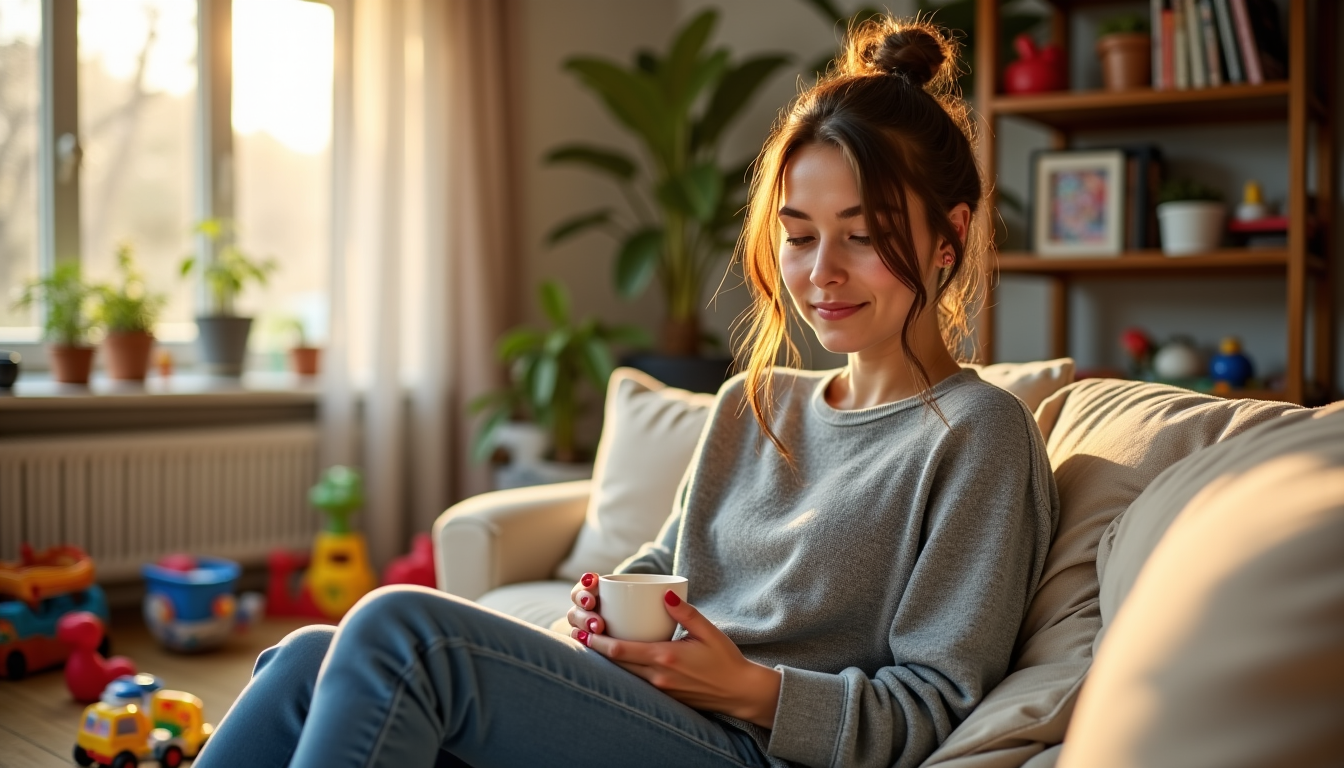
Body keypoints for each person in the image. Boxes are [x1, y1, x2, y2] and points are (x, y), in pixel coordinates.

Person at [194, 16, 1057, 768]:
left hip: (757, 750)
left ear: (949, 237)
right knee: (306, 657)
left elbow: (935, 706)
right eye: (799, 237)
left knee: (401, 633)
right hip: (654, 713)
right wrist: (607, 600)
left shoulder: (978, 434)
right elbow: (665, 569)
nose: (820, 273)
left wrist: (752, 690)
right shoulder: (753, 406)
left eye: (861, 236)